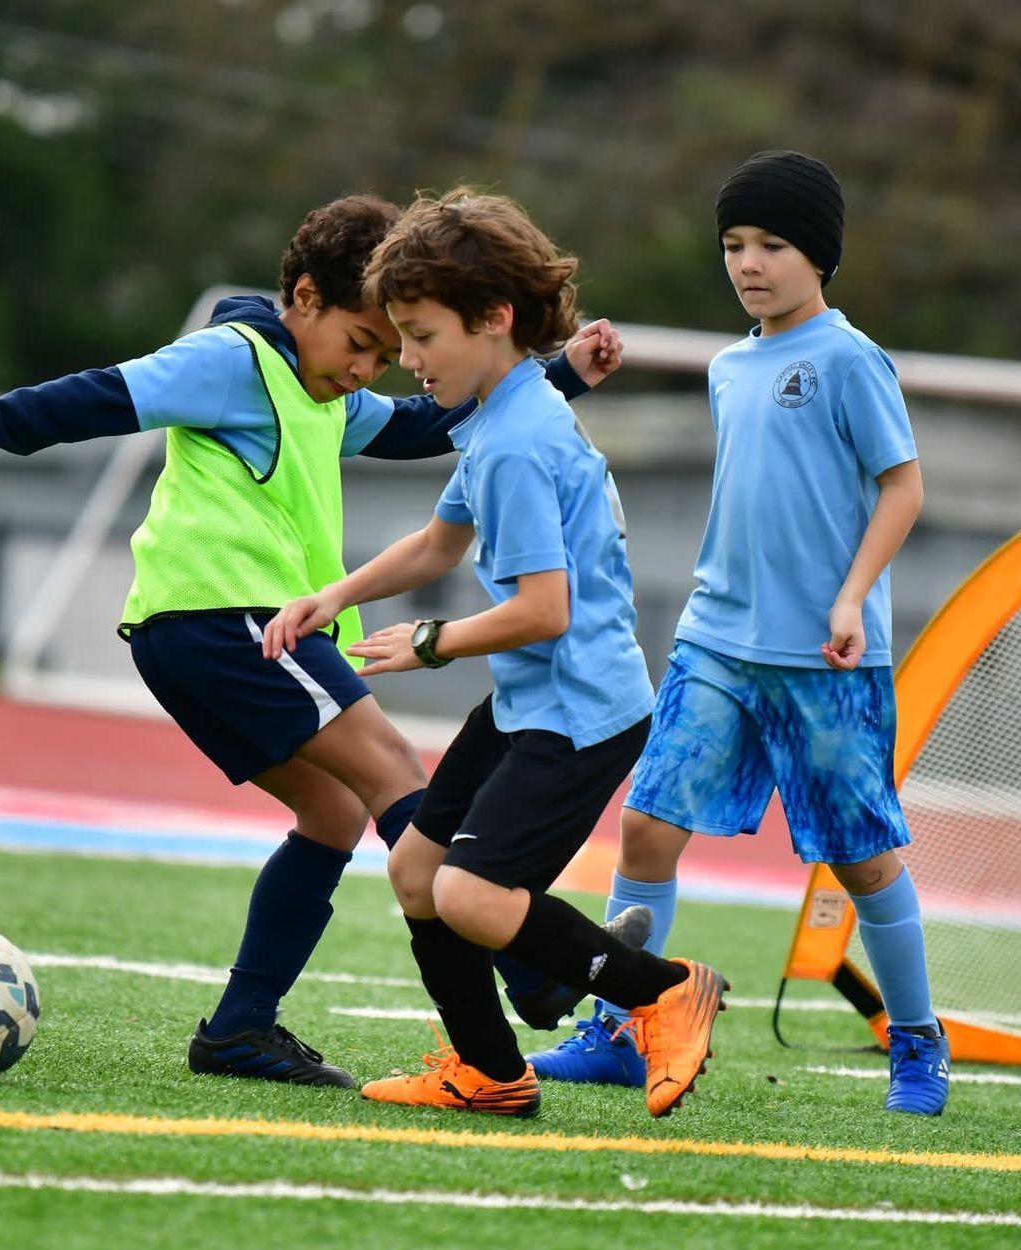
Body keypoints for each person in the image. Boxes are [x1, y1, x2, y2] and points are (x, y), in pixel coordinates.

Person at [0, 194, 623, 1090]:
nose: (373, 367)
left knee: (332, 813)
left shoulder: (326, 387)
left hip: (201, 631)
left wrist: (554, 376)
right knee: (397, 776)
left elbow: (417, 427)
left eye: (388, 348)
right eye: (362, 342)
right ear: (302, 298)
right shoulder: (237, 361)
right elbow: (101, 395)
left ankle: (241, 1029)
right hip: (229, 618)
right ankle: (527, 962)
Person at [264, 188, 727, 1119]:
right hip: (529, 701)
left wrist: (431, 641)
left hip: (580, 715)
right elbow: (439, 545)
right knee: (415, 873)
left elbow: (545, 612)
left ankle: (661, 990)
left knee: (472, 896)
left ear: (495, 319)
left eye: (423, 336)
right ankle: (492, 1070)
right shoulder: (497, 416)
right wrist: (337, 594)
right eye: (398, 337)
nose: (407, 360)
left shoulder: (517, 440)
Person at [528, 150, 951, 1117]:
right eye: (733, 244)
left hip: (825, 658)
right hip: (716, 641)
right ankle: (625, 1026)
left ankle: (918, 1040)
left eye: (771, 244)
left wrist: (851, 599)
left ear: (821, 256)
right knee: (645, 825)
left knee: (863, 857)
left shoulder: (850, 360)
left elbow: (904, 486)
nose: (748, 262)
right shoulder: (728, 365)